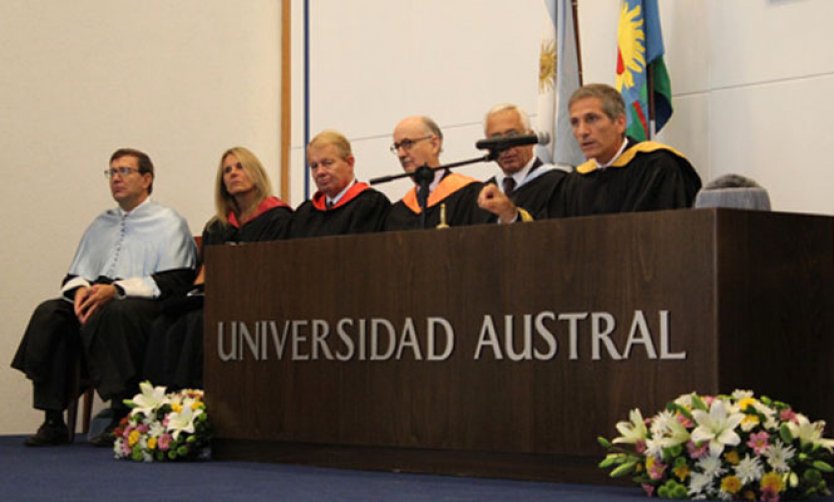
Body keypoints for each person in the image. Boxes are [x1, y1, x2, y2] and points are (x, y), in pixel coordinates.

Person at [11, 148, 197, 446]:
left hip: (142, 304)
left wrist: (118, 290)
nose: (116, 179)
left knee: (116, 313)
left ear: (147, 178)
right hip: (96, 299)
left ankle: (120, 414)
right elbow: (73, 276)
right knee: (51, 314)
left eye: (124, 171)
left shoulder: (169, 221)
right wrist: (82, 289)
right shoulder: (101, 224)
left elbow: (176, 280)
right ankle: (52, 419)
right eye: (112, 172)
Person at [143, 147, 292, 392]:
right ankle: (158, 405)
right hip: (215, 299)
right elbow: (203, 273)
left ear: (256, 172)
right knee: (164, 322)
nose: (233, 174)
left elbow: (279, 271)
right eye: (227, 170)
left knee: (196, 322)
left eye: (240, 167)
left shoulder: (279, 218)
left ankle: (191, 397)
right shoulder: (217, 226)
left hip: (257, 303)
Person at [550, 83, 701, 216]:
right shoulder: (575, 183)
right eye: (575, 123)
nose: (582, 131)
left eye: (592, 119)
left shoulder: (658, 166)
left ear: (620, 123)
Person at [384, 116, 494, 230]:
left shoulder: (471, 194)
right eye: (397, 147)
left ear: (434, 144)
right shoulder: (399, 212)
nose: (401, 154)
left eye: (408, 143)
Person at [289, 130, 390, 238]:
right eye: (314, 166)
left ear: (349, 163)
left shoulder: (371, 205)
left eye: (327, 163)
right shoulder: (305, 213)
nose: (320, 172)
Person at [478, 104, 567, 221]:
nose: (506, 148)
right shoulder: (484, 194)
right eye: (495, 139)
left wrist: (512, 215)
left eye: (513, 136)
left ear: (530, 138)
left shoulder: (557, 183)